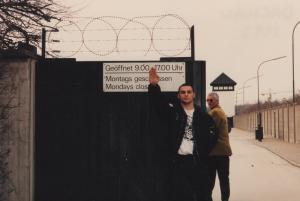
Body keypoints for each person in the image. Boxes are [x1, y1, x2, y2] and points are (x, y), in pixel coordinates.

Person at [148, 68, 218, 201]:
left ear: (194, 95)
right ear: (178, 95)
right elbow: (158, 104)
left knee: (204, 196)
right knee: (180, 196)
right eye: (183, 92)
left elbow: (214, 134)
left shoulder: (203, 116)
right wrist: (153, 86)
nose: (186, 94)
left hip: (198, 162)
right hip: (179, 163)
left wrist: (204, 151)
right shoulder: (173, 113)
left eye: (189, 92)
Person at [206, 92, 232, 201]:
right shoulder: (221, 111)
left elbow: (207, 129)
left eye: (211, 100)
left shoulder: (215, 112)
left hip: (215, 152)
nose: (208, 102)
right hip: (223, 153)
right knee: (224, 179)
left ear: (217, 101)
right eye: (207, 100)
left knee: (209, 180)